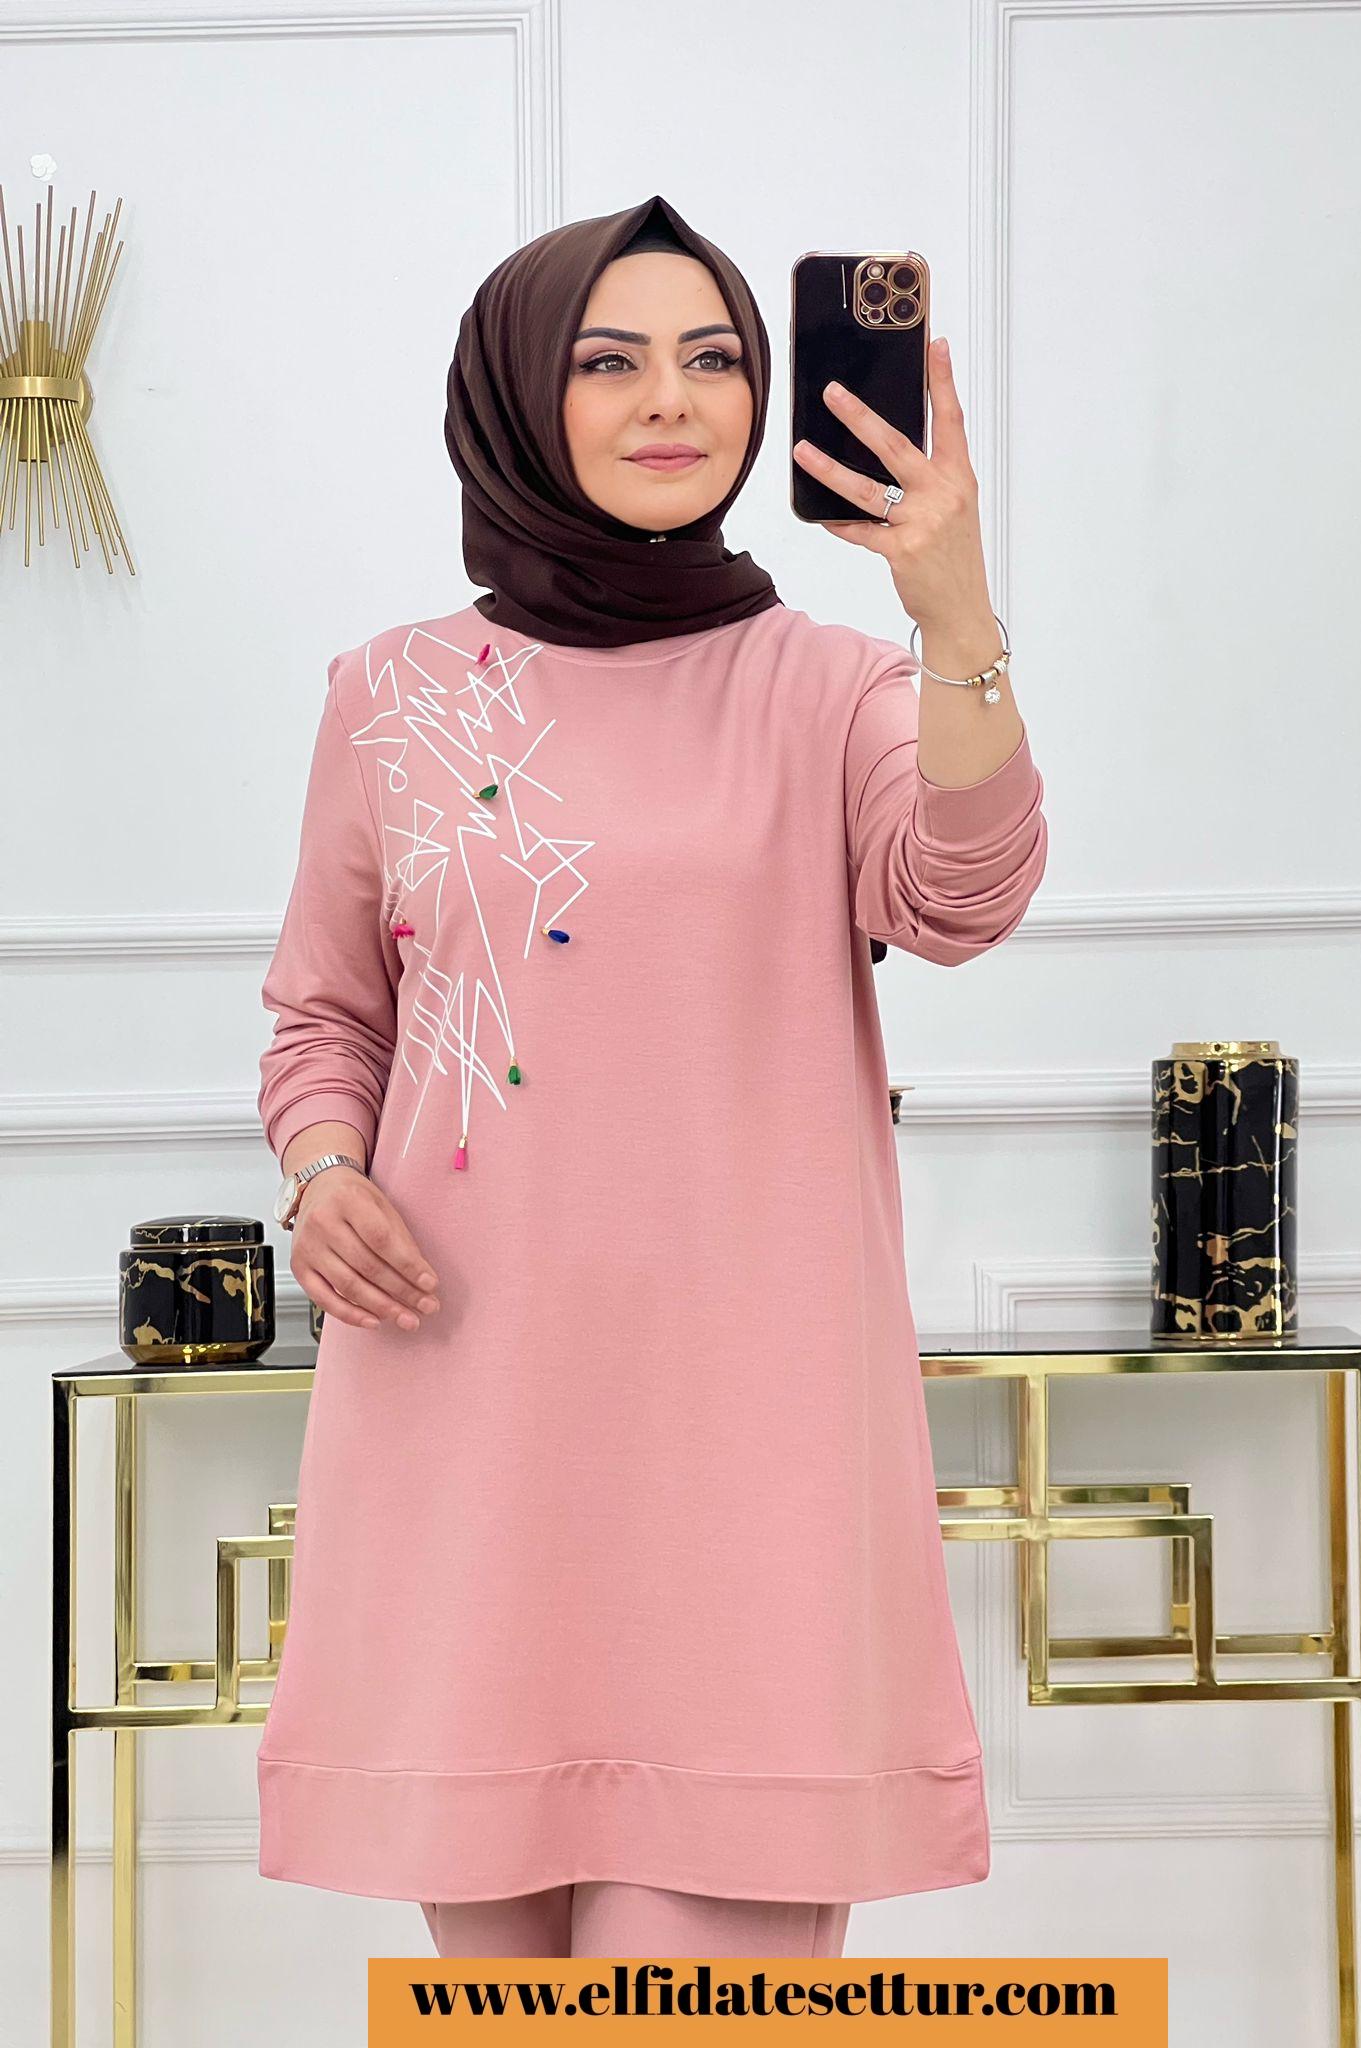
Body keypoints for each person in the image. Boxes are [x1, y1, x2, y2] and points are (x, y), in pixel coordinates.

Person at [253, 192, 1048, 1962]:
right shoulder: (394, 696)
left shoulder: (830, 688)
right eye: (611, 361)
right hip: (469, 1422)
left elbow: (963, 895)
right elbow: (324, 1018)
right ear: (520, 394)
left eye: (714, 359)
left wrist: (955, 614)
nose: (672, 399)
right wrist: (323, 1172)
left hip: (746, 1446)